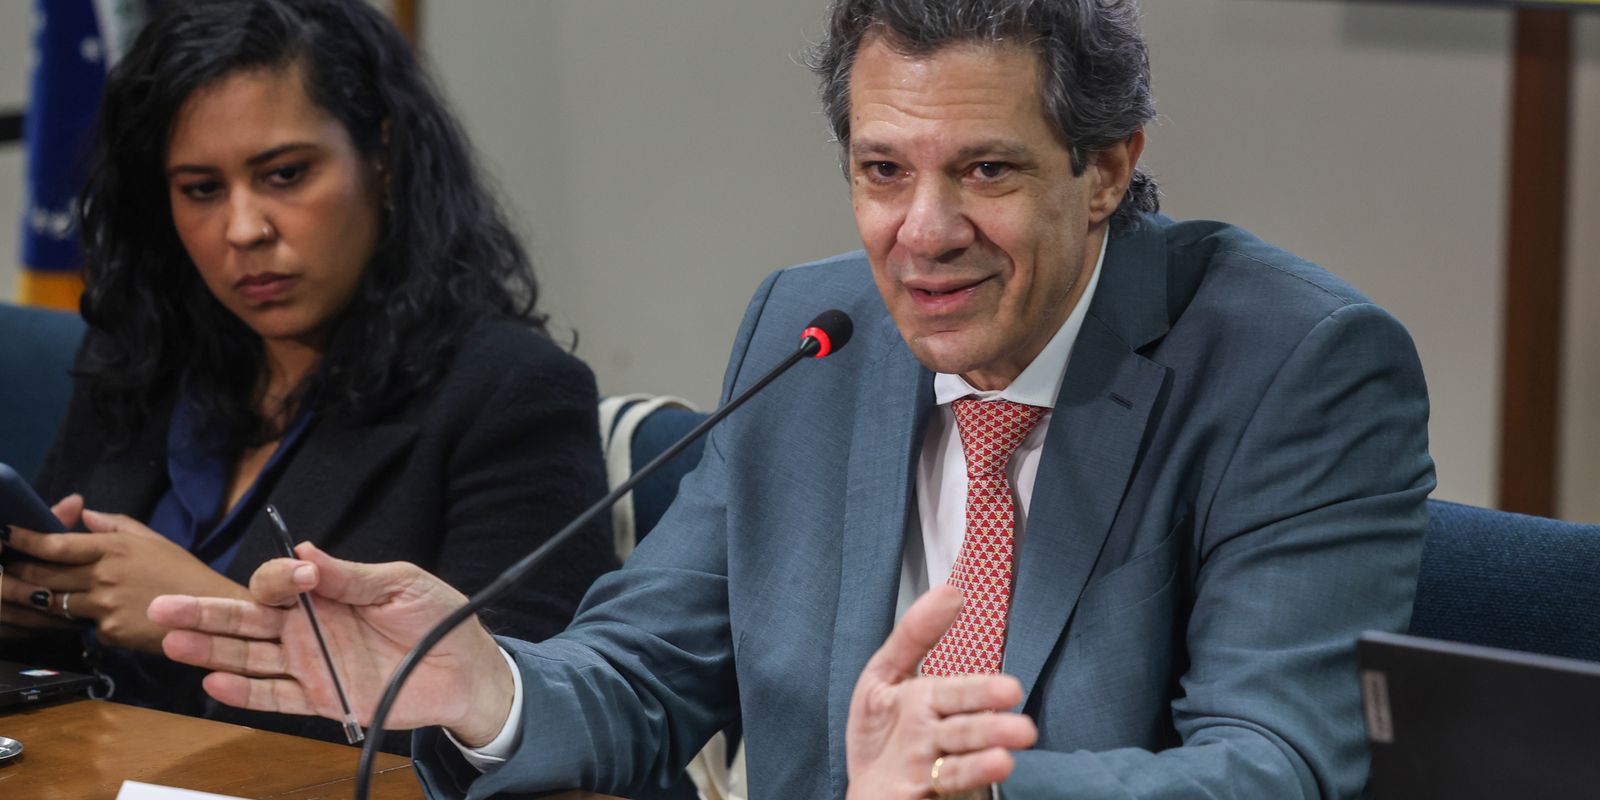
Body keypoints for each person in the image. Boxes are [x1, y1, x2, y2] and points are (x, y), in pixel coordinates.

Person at [151, 0, 1435, 796]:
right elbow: (649, 670)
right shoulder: (813, 334)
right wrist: (482, 684)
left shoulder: (1296, 367)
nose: (922, 232)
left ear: (1105, 169)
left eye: (985, 170)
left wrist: (980, 787)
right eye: (882, 170)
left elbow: (1277, 763)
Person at [0, 0, 616, 749]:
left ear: (381, 158)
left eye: (285, 175)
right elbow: (64, 656)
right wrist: (35, 605)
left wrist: (209, 617)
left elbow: (526, 731)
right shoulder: (139, 357)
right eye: (201, 189)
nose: (244, 229)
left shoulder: (513, 392)